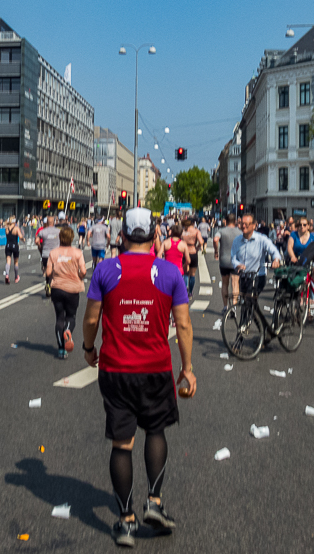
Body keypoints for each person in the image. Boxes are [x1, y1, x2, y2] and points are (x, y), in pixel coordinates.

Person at [82, 207, 196, 547]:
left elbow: (90, 319)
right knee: (155, 430)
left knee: (122, 443)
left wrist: (90, 348)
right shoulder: (169, 272)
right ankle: (155, 502)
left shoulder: (105, 269)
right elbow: (185, 325)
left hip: (116, 368)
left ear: (123, 236)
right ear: (154, 236)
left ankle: (126, 520)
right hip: (156, 367)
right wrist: (187, 368)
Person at [45, 226, 87, 359]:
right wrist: (79, 276)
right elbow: (84, 271)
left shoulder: (53, 253)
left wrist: (56, 273)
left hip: (57, 288)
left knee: (59, 318)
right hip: (73, 288)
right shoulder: (77, 253)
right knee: (71, 316)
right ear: (72, 238)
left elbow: (48, 272)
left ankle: (61, 349)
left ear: (60, 238)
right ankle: (68, 330)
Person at [230, 212, 283, 298]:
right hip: (244, 276)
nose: (243, 226)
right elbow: (233, 257)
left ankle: (251, 309)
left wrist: (276, 259)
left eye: (247, 224)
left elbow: (274, 250)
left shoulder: (261, 239)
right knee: (245, 301)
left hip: (258, 276)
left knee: (250, 299)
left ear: (254, 225)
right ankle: (250, 311)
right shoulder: (237, 240)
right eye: (242, 223)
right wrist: (238, 265)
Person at [214, 214, 242, 313]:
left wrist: (216, 251)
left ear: (226, 221)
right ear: (235, 221)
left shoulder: (221, 231)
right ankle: (234, 306)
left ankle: (225, 306)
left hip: (224, 260)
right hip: (236, 261)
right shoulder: (240, 232)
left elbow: (215, 239)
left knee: (225, 283)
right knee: (235, 284)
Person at [180, 217, 203, 301]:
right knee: (192, 274)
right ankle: (190, 292)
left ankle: (184, 289)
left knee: (185, 273)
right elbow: (201, 242)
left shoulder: (183, 231)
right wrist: (197, 248)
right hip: (193, 252)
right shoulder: (196, 231)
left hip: (184, 252)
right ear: (193, 223)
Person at [37, 216, 61, 296]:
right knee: (55, 271)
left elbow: (37, 241)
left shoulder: (43, 231)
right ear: (54, 222)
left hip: (45, 254)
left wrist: (40, 248)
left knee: (48, 270)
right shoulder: (58, 231)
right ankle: (53, 286)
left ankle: (48, 283)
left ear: (47, 222)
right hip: (55, 254)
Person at [3, 216, 24, 284]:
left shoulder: (7, 228)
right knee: (16, 262)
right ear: (14, 222)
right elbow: (20, 237)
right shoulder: (16, 228)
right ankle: (16, 277)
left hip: (8, 245)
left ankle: (7, 274)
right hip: (15, 246)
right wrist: (23, 239)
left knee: (8, 261)